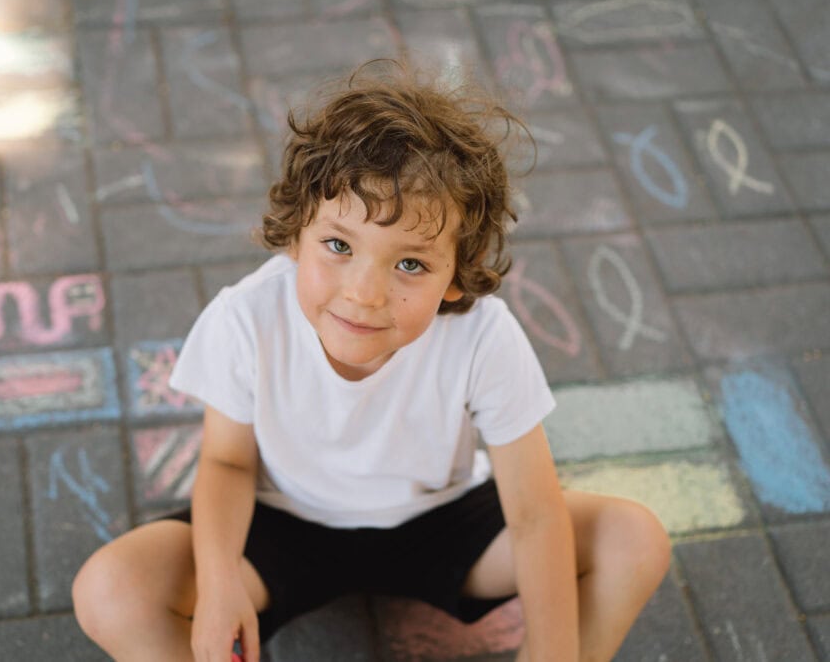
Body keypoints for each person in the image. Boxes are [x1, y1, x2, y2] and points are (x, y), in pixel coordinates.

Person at [72, 60, 671, 662]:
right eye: (338, 246)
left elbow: (536, 513)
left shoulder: (485, 338)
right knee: (111, 590)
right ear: (295, 234)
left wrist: (554, 653)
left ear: (456, 279)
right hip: (285, 523)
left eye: (410, 264)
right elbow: (227, 463)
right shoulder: (247, 318)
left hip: (439, 523)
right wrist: (221, 578)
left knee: (633, 541)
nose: (364, 293)